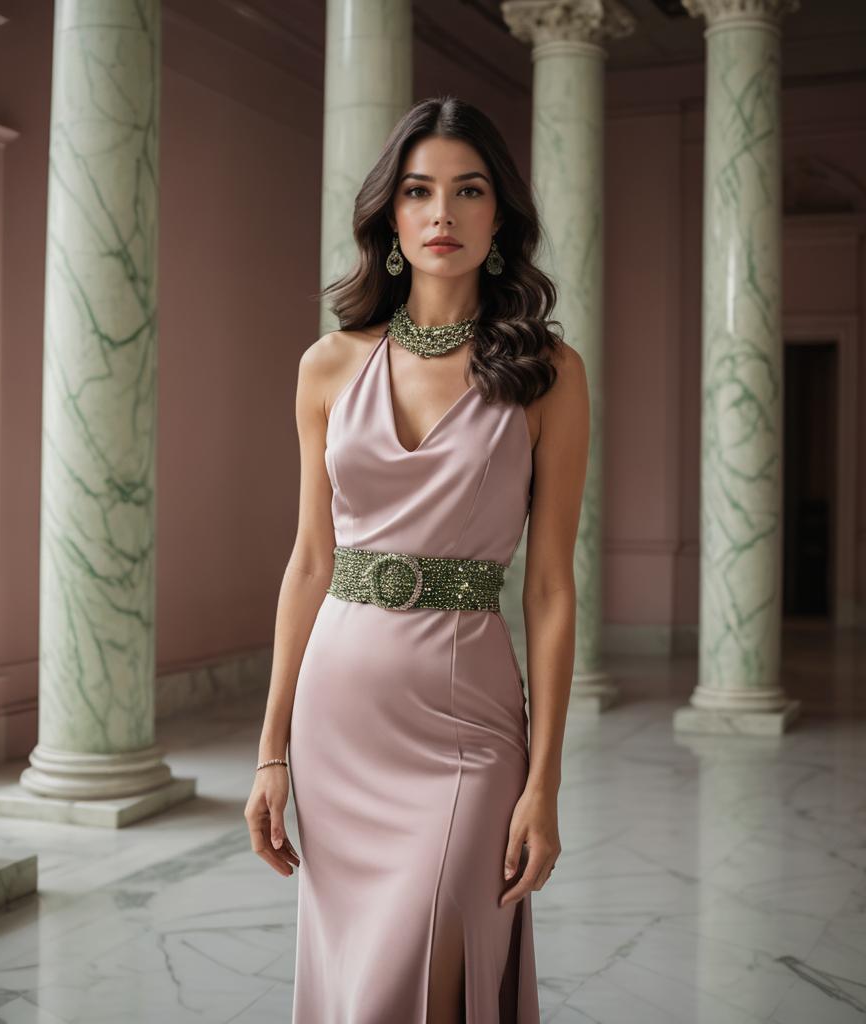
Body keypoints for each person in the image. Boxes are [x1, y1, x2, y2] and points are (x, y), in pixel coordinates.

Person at [244, 94, 588, 1023]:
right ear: (391, 217)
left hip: (469, 722)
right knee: (361, 991)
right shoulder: (328, 365)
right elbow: (311, 560)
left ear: (500, 218)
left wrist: (545, 782)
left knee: (426, 973)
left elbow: (552, 588)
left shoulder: (548, 371)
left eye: (469, 191)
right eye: (419, 191)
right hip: (339, 717)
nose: (444, 213)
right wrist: (272, 752)